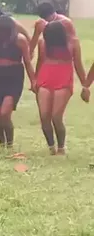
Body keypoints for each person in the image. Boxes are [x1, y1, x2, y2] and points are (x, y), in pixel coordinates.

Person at [34, 21, 87, 154]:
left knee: (56, 116)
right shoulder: (43, 43)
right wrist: (35, 79)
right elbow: (40, 61)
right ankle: (51, 147)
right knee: (44, 116)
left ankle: (61, 147)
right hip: (45, 77)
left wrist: (85, 85)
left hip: (63, 79)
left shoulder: (73, 43)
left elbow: (78, 64)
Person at [0, 15, 36, 148]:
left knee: (5, 113)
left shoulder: (20, 40)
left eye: (2, 30)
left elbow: (27, 62)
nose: (0, 33)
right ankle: (2, 142)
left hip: (14, 76)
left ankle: (9, 143)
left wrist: (33, 81)